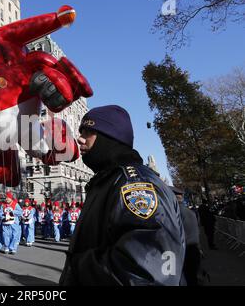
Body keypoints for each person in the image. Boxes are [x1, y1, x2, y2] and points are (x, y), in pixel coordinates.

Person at [60, 105, 186, 286]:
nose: (79, 139)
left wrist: (78, 266)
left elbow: (148, 269)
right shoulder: (108, 181)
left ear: (109, 137)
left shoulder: (134, 185)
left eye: (88, 132)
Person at [171, 187, 201, 286]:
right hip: (193, 249)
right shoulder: (189, 211)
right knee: (193, 278)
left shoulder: (175, 213)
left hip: (185, 252)